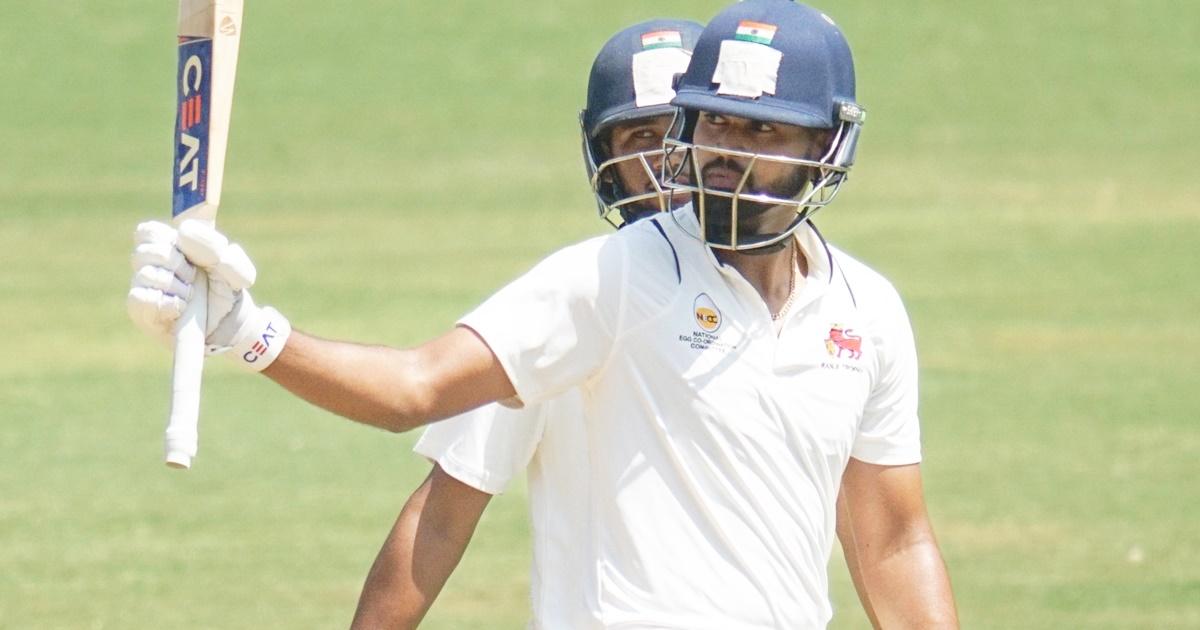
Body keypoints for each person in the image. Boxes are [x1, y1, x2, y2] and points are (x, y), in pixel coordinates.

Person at [127, 1, 959, 627]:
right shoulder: (612, 279)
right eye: (717, 122)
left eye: (763, 132)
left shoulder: (867, 313)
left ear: (825, 147)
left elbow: (891, 542)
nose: (727, 155)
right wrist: (249, 331)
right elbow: (415, 390)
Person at [347, 19, 704, 630]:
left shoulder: (827, 298)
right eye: (640, 137)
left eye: (680, 131)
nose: (664, 160)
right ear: (607, 159)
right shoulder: (577, 294)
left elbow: (875, 528)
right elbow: (441, 516)